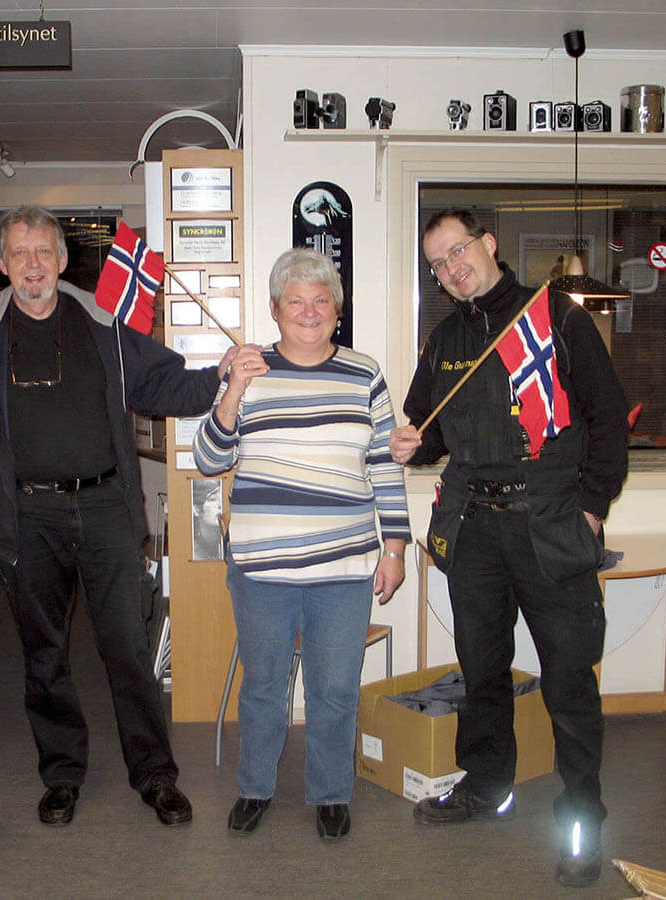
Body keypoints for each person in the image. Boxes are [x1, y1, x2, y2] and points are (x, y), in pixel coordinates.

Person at [0, 204, 238, 829]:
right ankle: (61, 773)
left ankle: (155, 774)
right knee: (43, 652)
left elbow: (161, 386)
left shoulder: (101, 321)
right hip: (26, 515)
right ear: (2, 264)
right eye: (19, 254)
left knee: (128, 648)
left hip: (105, 505)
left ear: (61, 260)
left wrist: (220, 376)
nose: (33, 265)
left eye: (43, 252)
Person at [388, 209, 628, 888]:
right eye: (437, 263)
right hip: (475, 531)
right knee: (481, 672)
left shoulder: (555, 319)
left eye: (458, 251)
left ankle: (582, 821)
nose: (450, 268)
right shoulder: (445, 340)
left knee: (569, 682)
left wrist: (591, 509)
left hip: (550, 523)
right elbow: (430, 430)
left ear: (488, 244)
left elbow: (609, 419)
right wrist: (415, 444)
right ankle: (488, 788)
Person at [193, 248, 411, 841]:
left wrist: (395, 547)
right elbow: (209, 460)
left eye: (321, 301)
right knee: (264, 684)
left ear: (336, 311)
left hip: (344, 566)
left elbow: (385, 467)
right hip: (262, 567)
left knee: (334, 687)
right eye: (296, 301)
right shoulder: (249, 369)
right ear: (274, 309)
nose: (309, 312)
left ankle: (331, 793)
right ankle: (255, 787)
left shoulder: (365, 374)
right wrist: (233, 387)